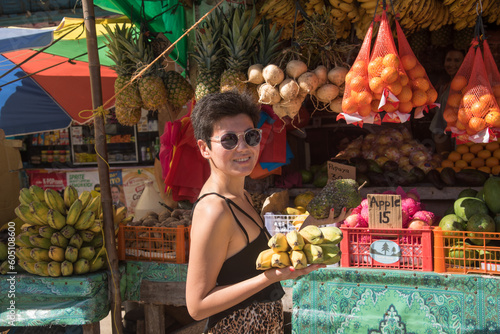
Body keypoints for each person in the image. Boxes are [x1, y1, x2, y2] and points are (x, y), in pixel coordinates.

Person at [186, 91, 333, 333]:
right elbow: (197, 305)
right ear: (204, 148)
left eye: (251, 137)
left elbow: (247, 263)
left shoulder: (240, 195)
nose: (243, 148)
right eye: (229, 140)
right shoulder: (214, 210)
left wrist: (315, 221)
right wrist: (270, 277)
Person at [430, 48, 465, 153]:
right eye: (449, 60)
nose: (451, 64)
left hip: (459, 134)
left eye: (457, 61)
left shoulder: (464, 85)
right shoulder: (446, 84)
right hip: (445, 133)